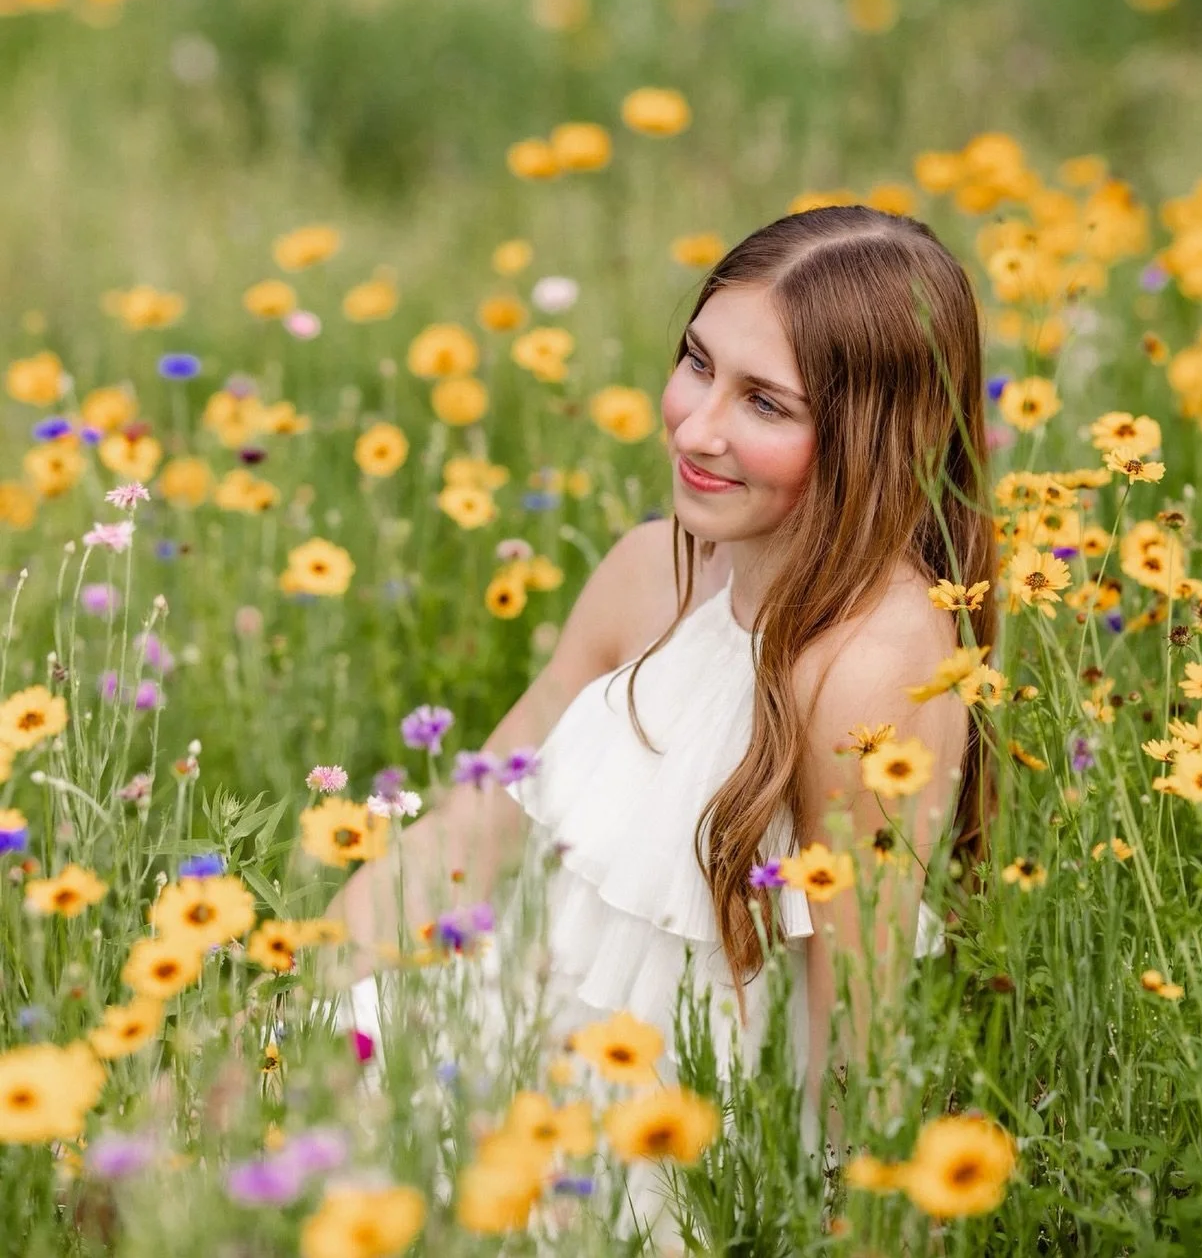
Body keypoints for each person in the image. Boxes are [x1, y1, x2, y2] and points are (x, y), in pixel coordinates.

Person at [329, 204, 997, 1208]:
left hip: (673, 1157)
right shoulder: (654, 570)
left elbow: (862, 1036)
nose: (695, 424)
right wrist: (297, 992)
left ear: (867, 437)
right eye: (697, 363)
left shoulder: (872, 668)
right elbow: (471, 823)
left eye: (765, 404)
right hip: (514, 1043)